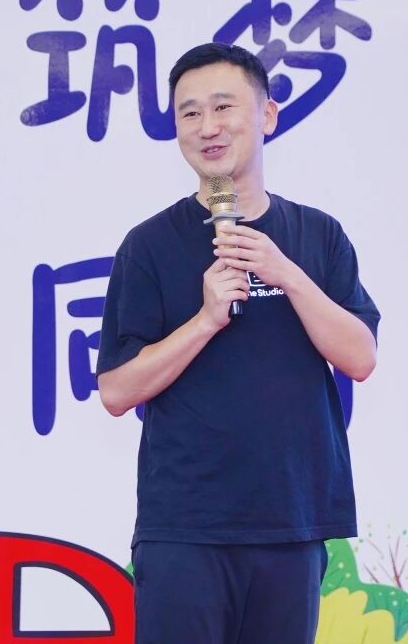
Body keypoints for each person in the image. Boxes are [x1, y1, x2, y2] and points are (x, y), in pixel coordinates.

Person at [97, 42, 380, 644]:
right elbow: (117, 391)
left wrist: (287, 275)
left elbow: (360, 357)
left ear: (267, 115)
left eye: (223, 107)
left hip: (291, 521)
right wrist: (204, 320)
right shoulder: (148, 246)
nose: (208, 127)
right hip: (185, 528)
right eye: (190, 113)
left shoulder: (318, 236)